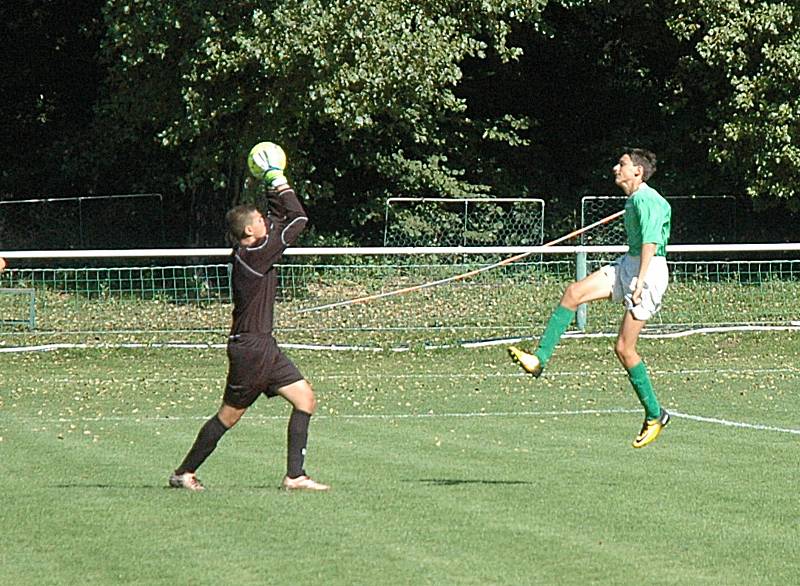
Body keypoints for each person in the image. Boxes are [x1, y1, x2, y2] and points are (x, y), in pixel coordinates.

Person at [169, 145, 329, 491]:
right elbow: (298, 219)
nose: (265, 222)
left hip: (262, 346)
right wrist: (278, 179)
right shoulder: (255, 254)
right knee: (228, 417)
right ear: (249, 233)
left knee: (305, 399)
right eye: (259, 221)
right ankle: (183, 473)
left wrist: (270, 187)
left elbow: (279, 218)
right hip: (251, 350)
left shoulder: (252, 245)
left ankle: (295, 476)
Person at [508, 148, 672, 448]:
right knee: (574, 293)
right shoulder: (635, 199)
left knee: (624, 348)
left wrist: (640, 282)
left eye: (622, 164)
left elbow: (651, 242)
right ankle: (539, 359)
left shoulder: (648, 199)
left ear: (638, 171)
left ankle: (654, 414)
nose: (615, 168)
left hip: (648, 271)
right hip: (631, 263)